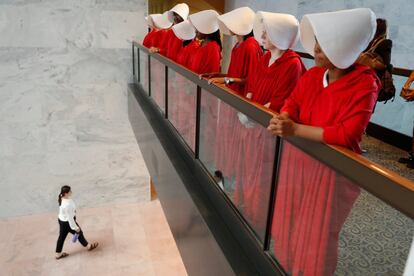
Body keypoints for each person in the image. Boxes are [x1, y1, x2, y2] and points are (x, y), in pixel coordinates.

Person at [267, 8, 380, 275]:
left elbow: (346, 134)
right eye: (317, 41)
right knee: (290, 218)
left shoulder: (365, 84)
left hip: (331, 171)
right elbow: (292, 103)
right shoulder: (312, 75)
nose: (316, 49)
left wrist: (294, 129)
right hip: (299, 160)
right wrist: (284, 119)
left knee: (317, 232)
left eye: (324, 44)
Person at [235, 11, 306, 233]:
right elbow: (252, 85)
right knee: (247, 169)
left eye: (269, 31)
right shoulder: (264, 57)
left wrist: (254, 114)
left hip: (267, 128)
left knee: (263, 176)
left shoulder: (292, 64)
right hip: (252, 124)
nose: (263, 35)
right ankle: (245, 206)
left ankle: (258, 218)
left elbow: (282, 101)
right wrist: (245, 106)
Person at [203, 7, 263, 194]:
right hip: (232, 97)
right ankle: (224, 175)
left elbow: (251, 78)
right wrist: (221, 76)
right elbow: (234, 73)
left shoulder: (251, 46)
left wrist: (228, 81)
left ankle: (230, 182)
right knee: (228, 141)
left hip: (239, 101)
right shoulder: (239, 45)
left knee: (235, 145)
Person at [55, 186, 98, 259]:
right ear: (66, 193)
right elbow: (70, 219)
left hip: (61, 220)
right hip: (67, 222)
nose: (71, 192)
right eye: (70, 191)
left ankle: (58, 254)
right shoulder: (67, 205)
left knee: (61, 237)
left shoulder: (62, 198)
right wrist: (76, 228)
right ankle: (89, 246)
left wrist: (73, 211)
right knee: (79, 233)